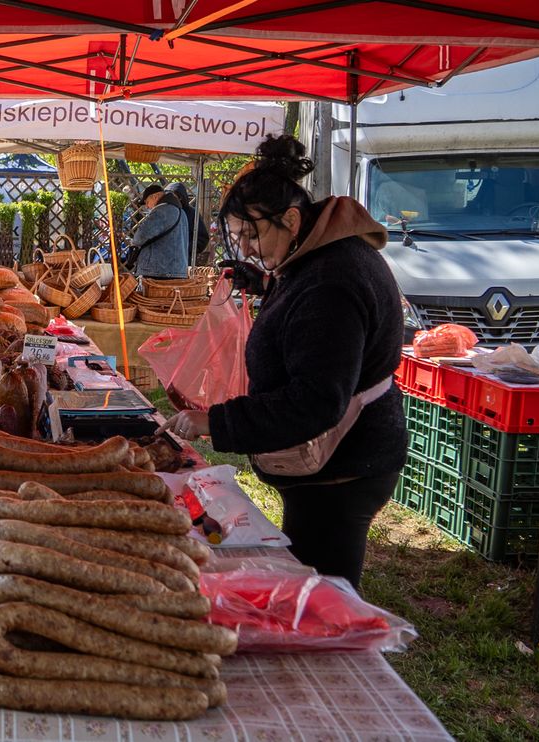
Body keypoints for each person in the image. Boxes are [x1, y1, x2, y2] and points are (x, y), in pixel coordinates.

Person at [161, 134, 405, 588]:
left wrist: (213, 420)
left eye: (252, 234)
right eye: (238, 238)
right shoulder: (316, 255)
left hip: (341, 467)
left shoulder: (332, 281)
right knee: (314, 580)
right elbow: (301, 308)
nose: (248, 247)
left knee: (325, 593)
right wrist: (260, 282)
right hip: (332, 463)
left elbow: (314, 400)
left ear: (291, 219)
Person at [130, 183, 189, 278]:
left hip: (159, 270)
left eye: (147, 202)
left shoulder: (161, 211)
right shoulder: (181, 213)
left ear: (155, 197)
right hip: (177, 269)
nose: (147, 206)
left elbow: (140, 236)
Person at [165, 182, 212, 266]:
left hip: (183, 261)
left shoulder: (192, 214)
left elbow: (202, 238)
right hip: (164, 260)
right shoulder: (163, 212)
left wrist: (185, 247)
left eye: (173, 196)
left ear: (180, 197)